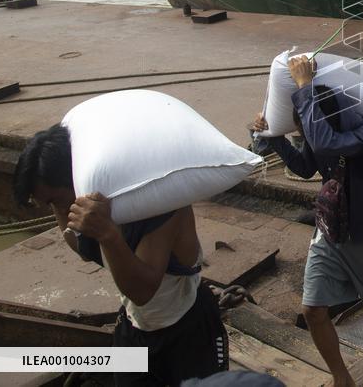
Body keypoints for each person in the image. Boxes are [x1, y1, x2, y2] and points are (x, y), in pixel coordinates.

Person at [251, 56, 363, 387]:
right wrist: (274, 136)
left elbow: (326, 143)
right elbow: (308, 166)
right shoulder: (319, 127)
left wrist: (304, 88)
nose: (305, 128)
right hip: (329, 228)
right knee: (312, 310)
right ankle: (342, 378)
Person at [13, 126, 228, 387]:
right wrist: (61, 206)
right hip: (135, 326)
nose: (58, 208)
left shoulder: (159, 204)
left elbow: (142, 290)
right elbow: (79, 246)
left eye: (57, 200)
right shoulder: (98, 207)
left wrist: (109, 235)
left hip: (186, 333)